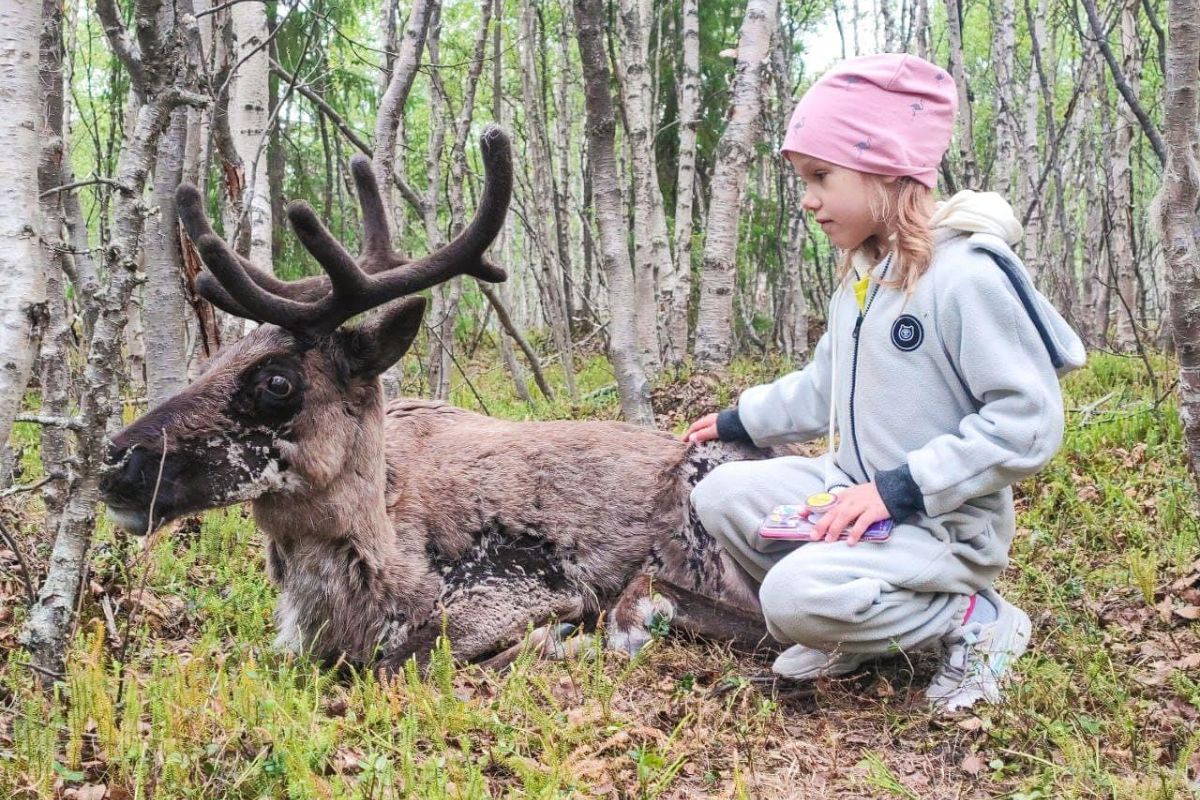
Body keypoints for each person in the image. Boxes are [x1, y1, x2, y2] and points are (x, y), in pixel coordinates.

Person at [682, 53, 1085, 712]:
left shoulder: (966, 277)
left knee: (791, 600)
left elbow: (1028, 423)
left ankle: (976, 619)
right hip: (855, 489)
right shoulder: (865, 278)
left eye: (821, 176)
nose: (808, 199)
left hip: (942, 524)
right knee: (721, 494)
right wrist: (740, 420)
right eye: (803, 179)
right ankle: (856, 630)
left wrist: (902, 488)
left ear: (887, 170)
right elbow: (822, 387)